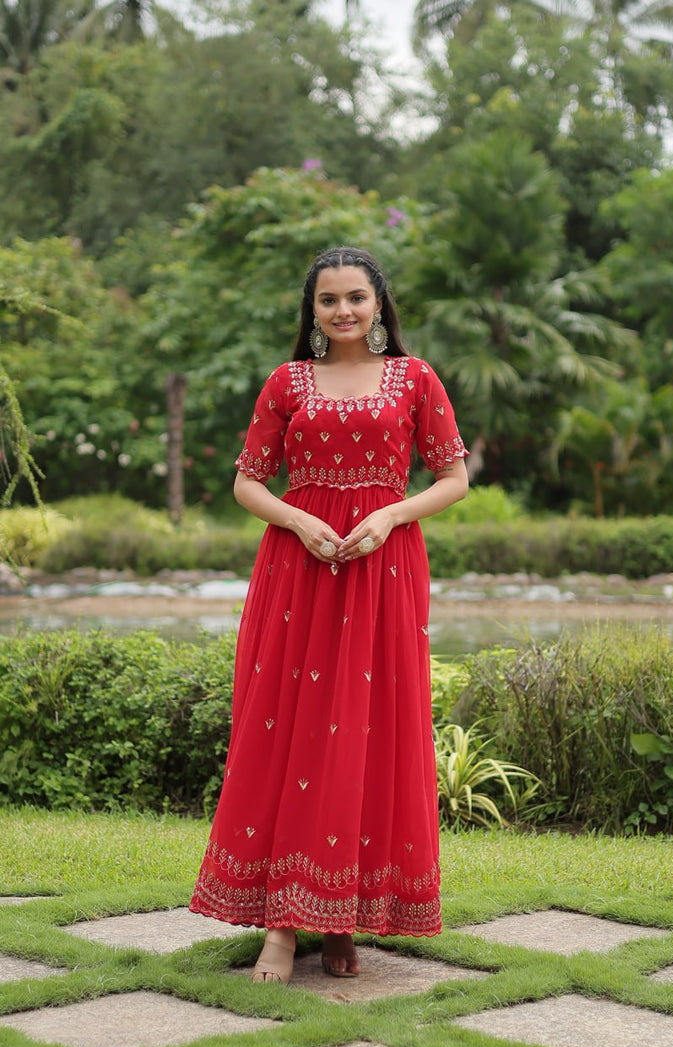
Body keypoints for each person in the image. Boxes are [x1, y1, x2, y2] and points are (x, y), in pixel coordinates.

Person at [189, 246, 468, 984]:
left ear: (380, 305)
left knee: (369, 733)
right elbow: (248, 483)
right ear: (310, 312)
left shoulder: (416, 379)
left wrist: (391, 515)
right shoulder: (288, 382)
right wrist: (294, 521)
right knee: (297, 733)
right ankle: (282, 930)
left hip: (383, 568)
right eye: (328, 300)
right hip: (299, 572)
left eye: (356, 297)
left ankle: (343, 920)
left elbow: (453, 478)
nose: (343, 311)